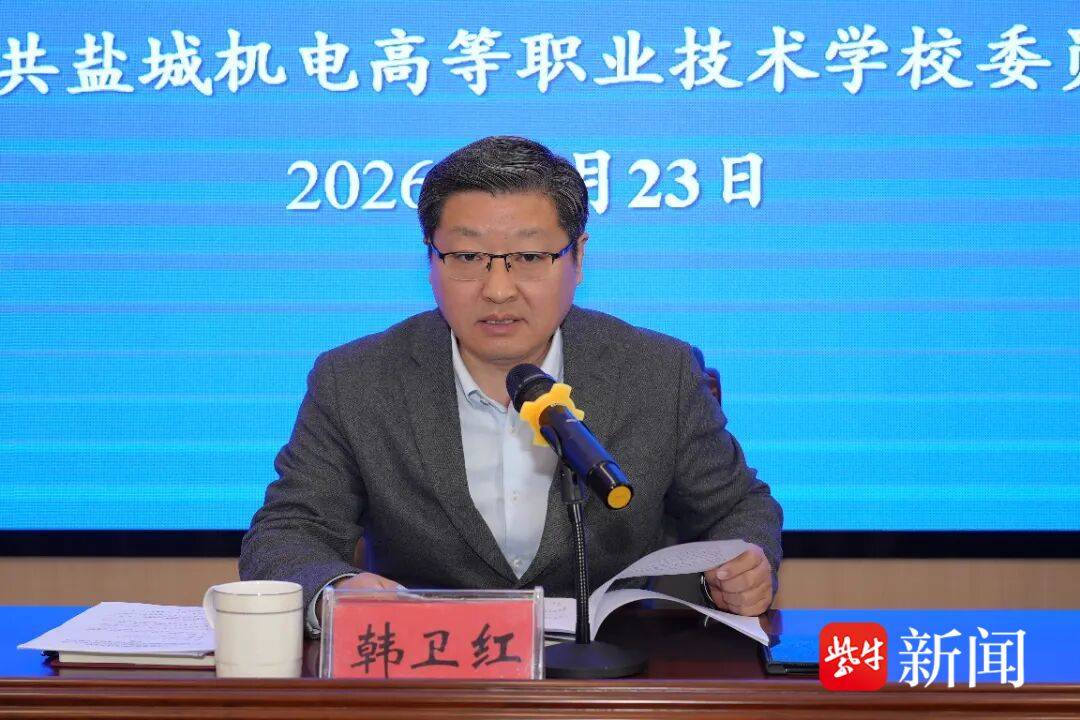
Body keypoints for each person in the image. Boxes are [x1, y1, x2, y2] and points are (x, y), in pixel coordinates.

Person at [239, 136, 783, 636]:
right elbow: (288, 532)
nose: (498, 290)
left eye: (529, 257)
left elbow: (738, 507)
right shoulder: (356, 380)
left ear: (578, 257)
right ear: (430, 259)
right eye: (467, 257)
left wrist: (744, 567)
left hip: (610, 674)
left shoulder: (657, 371)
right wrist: (337, 591)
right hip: (425, 672)